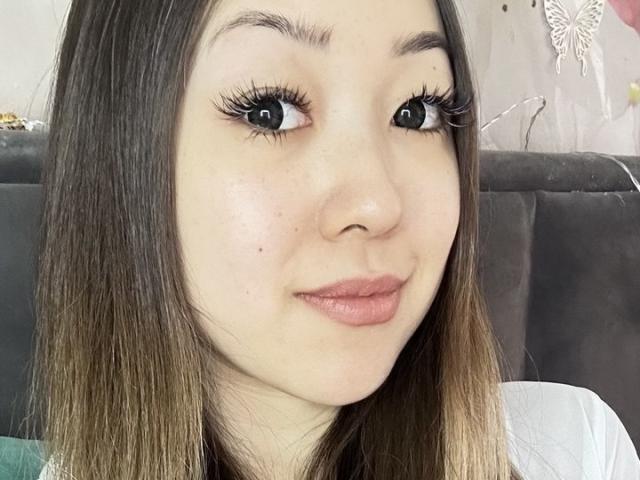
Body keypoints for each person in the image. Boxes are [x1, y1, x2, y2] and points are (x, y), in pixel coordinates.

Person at [26, 0, 640, 479]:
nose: (378, 204)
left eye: (417, 110)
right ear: (121, 157)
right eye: (270, 110)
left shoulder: (578, 451)